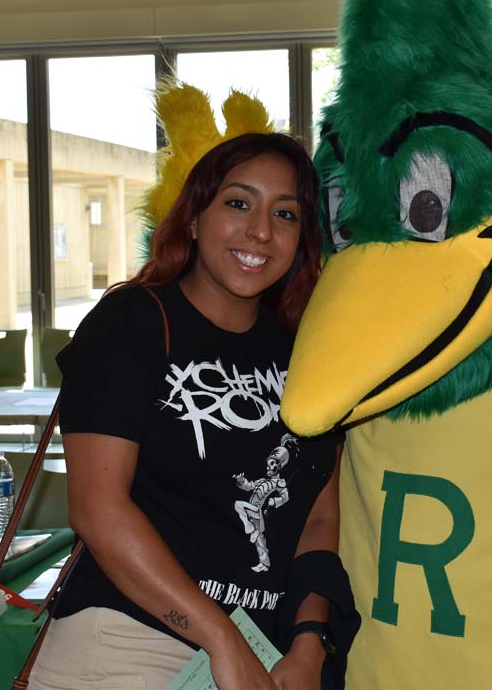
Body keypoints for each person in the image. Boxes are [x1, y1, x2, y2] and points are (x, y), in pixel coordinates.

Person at [34, 132, 350, 690]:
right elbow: (97, 509)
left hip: (266, 648)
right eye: (238, 202)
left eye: (286, 214)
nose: (260, 230)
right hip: (129, 640)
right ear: (195, 216)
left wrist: (309, 641)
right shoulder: (133, 320)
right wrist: (219, 637)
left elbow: (320, 515)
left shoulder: (307, 348)